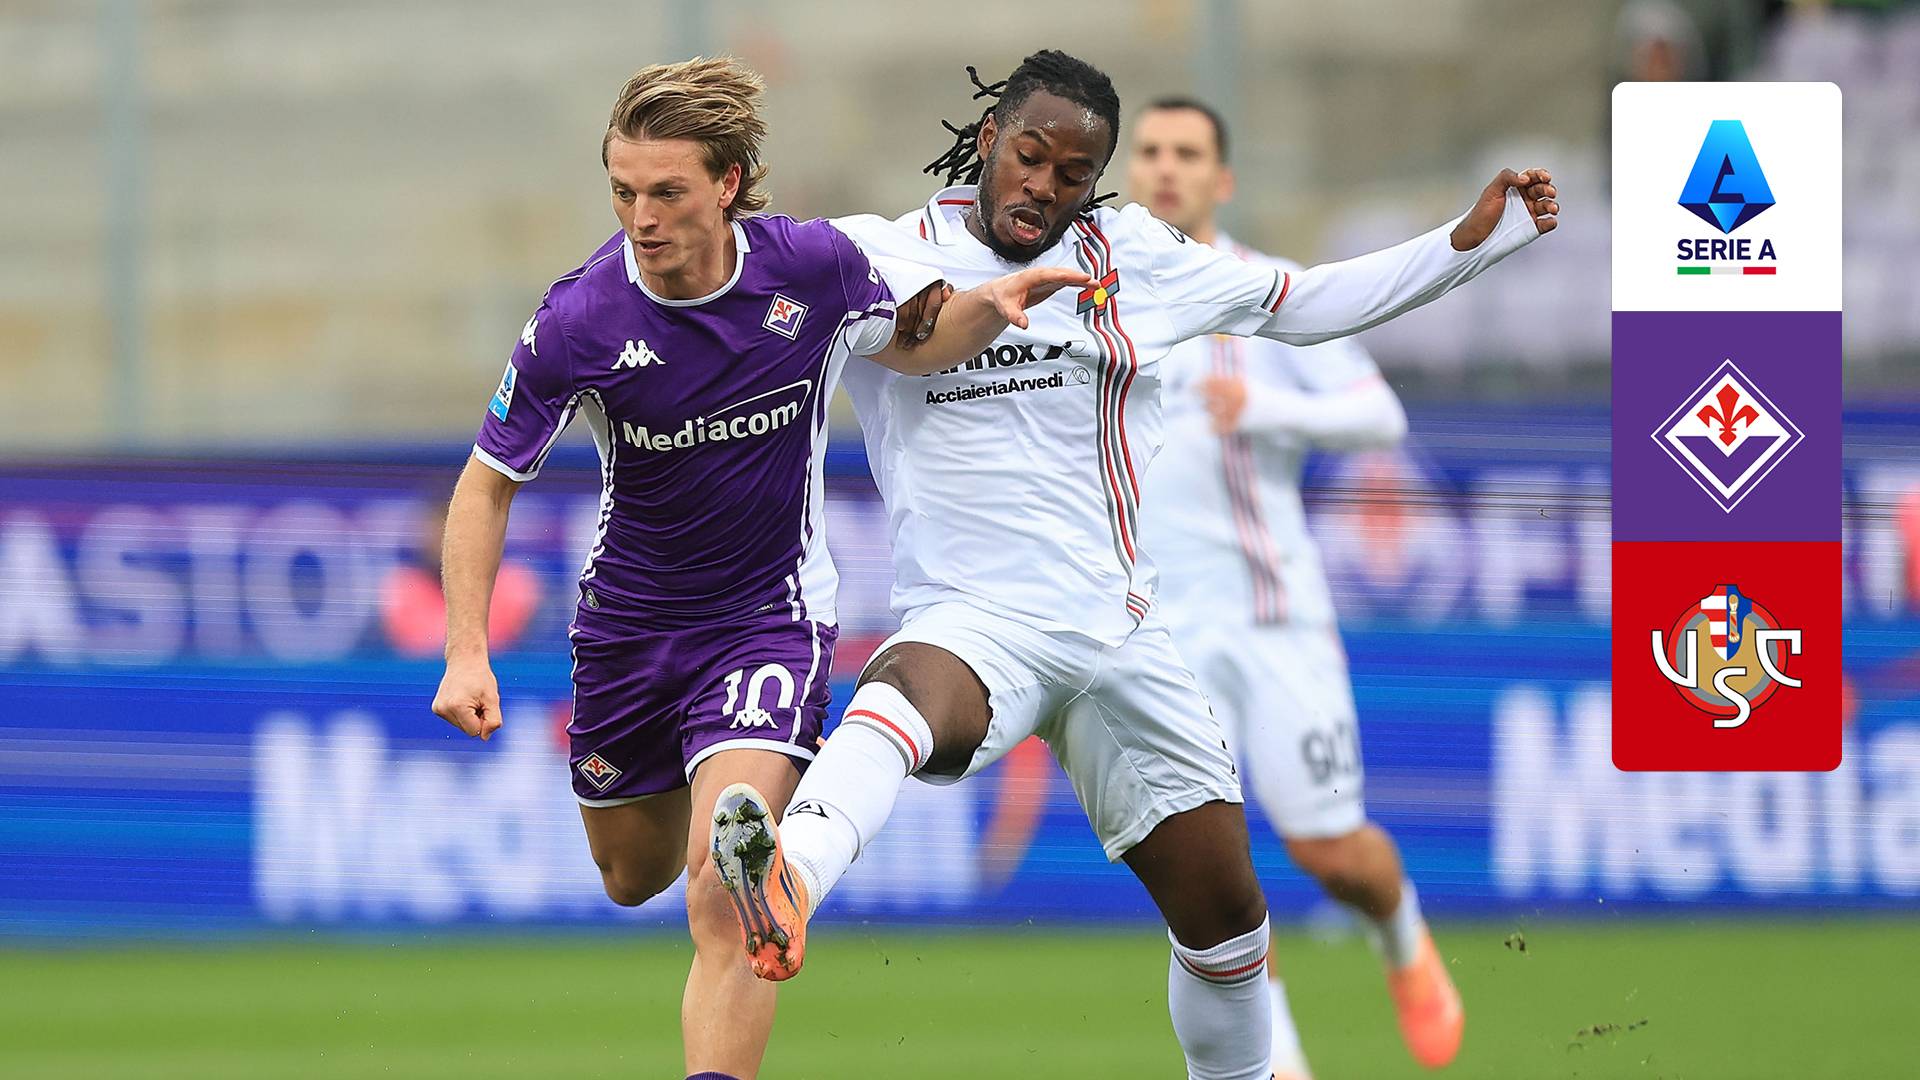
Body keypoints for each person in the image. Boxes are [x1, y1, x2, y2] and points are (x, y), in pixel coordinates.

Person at [710, 49, 1557, 1080]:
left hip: (1120, 633)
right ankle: (789, 875)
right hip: (973, 620)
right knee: (904, 694)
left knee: (1231, 929)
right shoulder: (875, 258)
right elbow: (725, 278)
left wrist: (1476, 240)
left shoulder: (1136, 258)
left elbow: (1306, 301)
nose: (1044, 187)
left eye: (1074, 174)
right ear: (989, 139)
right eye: (1029, 157)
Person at [429, 56, 1085, 1080]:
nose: (641, 218)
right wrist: (465, 650)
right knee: (632, 873)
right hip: (630, 634)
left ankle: (750, 867)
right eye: (623, 192)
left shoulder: (813, 271)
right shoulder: (579, 321)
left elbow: (912, 343)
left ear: (728, 182)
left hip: (766, 623)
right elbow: (485, 484)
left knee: (719, 888)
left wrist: (991, 303)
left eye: (667, 192)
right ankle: (713, 846)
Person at [1128, 97, 1453, 1077]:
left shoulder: (1266, 294)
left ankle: (1400, 931)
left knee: (1330, 853)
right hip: (1161, 639)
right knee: (1212, 873)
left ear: (1222, 179)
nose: (1167, 168)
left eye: (1188, 153)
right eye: (1150, 151)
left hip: (1274, 619)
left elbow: (1380, 416)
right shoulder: (1096, 297)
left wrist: (1264, 407)